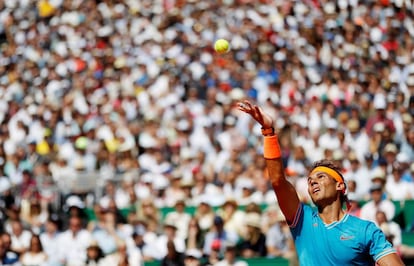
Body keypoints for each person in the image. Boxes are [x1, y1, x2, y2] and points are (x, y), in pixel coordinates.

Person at [237, 100, 404, 265]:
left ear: (340, 186)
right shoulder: (303, 219)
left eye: (321, 177)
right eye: (310, 181)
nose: (313, 183)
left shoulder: (366, 230)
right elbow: (278, 181)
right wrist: (268, 132)